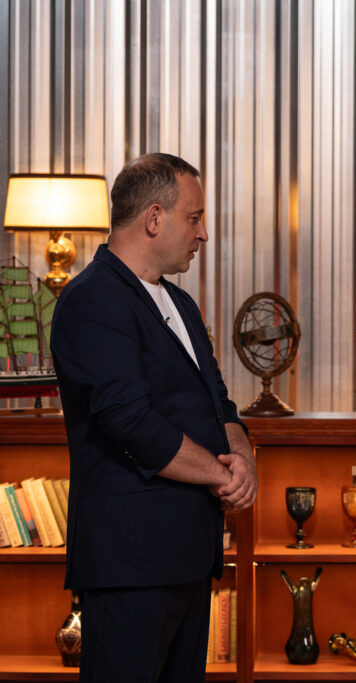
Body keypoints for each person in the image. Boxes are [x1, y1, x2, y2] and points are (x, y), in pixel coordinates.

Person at [50, 153, 258, 682]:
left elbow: (219, 403)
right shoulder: (91, 299)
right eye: (194, 217)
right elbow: (130, 421)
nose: (203, 233)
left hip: (190, 557)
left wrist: (243, 457)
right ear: (154, 217)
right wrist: (222, 476)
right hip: (131, 563)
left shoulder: (181, 304)